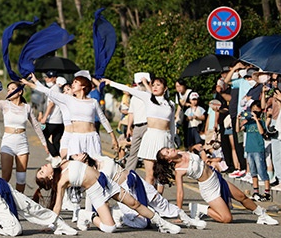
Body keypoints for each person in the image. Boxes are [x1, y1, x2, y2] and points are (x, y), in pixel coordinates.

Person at [34, 156, 181, 234]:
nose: (43, 167)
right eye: (41, 172)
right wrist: (51, 224)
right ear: (49, 178)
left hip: (106, 182)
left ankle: (163, 224)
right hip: (95, 193)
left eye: (40, 168)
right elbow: (57, 205)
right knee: (110, 228)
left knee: (135, 204)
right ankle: (87, 216)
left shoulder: (62, 164)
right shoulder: (61, 183)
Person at [70, 152, 206, 230]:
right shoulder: (89, 175)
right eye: (76, 155)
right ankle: (119, 214)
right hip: (123, 193)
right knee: (142, 223)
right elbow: (91, 195)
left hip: (135, 180)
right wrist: (89, 213)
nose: (80, 153)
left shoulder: (97, 157)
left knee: (161, 203)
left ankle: (189, 221)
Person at [154, 147, 278, 225]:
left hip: (216, 177)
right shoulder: (179, 170)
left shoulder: (183, 151)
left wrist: (203, 152)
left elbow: (200, 156)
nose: (171, 149)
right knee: (226, 218)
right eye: (168, 152)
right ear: (169, 160)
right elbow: (180, 192)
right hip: (208, 189)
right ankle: (199, 208)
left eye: (168, 148)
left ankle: (262, 215)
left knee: (241, 196)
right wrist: (180, 213)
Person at [23, 74, 119, 158]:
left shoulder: (93, 102)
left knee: (95, 167)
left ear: (83, 86)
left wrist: (113, 137)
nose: (73, 84)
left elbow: (103, 119)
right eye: (72, 82)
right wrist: (32, 82)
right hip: (75, 137)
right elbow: (48, 92)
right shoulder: (68, 99)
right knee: (74, 167)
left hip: (92, 137)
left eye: (76, 82)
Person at [102, 77, 175, 188]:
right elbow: (130, 90)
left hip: (164, 139)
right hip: (151, 137)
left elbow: (172, 125)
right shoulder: (148, 98)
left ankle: (158, 200)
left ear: (165, 88)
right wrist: (111, 83)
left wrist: (172, 142)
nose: (155, 87)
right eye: (153, 85)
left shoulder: (170, 104)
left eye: (158, 85)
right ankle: (147, 200)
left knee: (161, 175)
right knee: (150, 175)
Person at [0, 81, 48, 192]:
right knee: (6, 176)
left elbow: (36, 126)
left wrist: (44, 143)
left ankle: (20, 203)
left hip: (22, 143)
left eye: (12, 89)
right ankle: (0, 200)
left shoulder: (27, 107)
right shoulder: (5, 104)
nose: (9, 91)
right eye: (8, 89)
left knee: (21, 178)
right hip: (8, 142)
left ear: (19, 92)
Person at [37, 71, 65, 158]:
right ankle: (59, 158)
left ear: (55, 78)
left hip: (52, 120)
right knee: (55, 140)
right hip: (59, 121)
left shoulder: (54, 89)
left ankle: (55, 156)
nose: (47, 79)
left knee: (44, 136)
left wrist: (44, 117)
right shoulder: (58, 89)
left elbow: (51, 104)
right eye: (46, 77)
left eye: (49, 78)